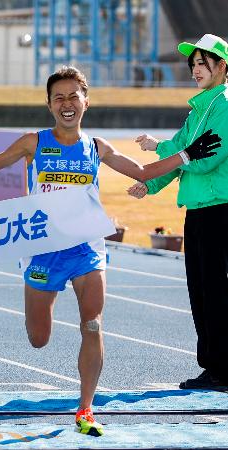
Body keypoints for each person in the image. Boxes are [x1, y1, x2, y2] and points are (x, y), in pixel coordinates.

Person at [0, 66, 221, 435]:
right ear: (49, 105)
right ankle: (44, 324)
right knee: (38, 338)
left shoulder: (97, 147)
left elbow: (143, 172)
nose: (66, 103)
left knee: (93, 325)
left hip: (86, 249)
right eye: (58, 97)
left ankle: (85, 409)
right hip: (44, 252)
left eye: (73, 96)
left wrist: (187, 156)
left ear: (85, 102)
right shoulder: (34, 142)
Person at [128, 34, 228, 390]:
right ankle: (213, 367)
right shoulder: (198, 109)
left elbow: (203, 157)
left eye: (204, 63)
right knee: (200, 290)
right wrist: (150, 184)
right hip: (198, 211)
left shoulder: (224, 106)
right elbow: (182, 158)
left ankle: (224, 368)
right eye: (194, 64)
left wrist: (169, 151)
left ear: (222, 67)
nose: (197, 70)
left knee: (218, 291)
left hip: (221, 211)